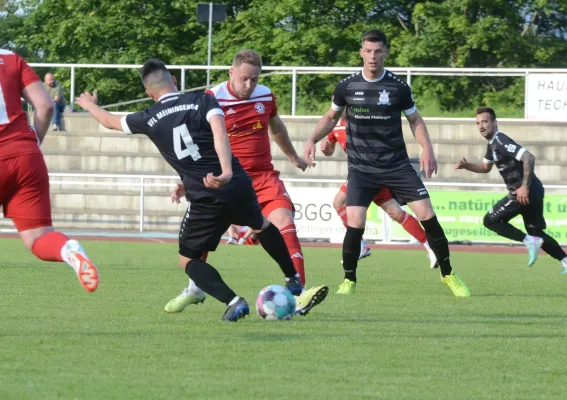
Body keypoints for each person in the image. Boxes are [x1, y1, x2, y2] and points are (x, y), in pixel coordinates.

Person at [76, 58, 305, 321]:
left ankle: (233, 301)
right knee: (262, 225)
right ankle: (292, 277)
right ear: (174, 80)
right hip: (237, 182)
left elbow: (109, 121)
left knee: (188, 261)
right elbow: (220, 134)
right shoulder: (202, 99)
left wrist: (90, 105)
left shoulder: (148, 118)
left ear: (149, 93)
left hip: (206, 195)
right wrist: (227, 171)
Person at [303, 29, 470, 297]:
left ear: (386, 52)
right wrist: (311, 139)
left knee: (427, 214)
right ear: (361, 53)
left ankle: (449, 275)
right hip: (361, 169)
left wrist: (427, 148)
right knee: (355, 221)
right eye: (368, 51)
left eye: (378, 51)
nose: (373, 56)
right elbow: (331, 118)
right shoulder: (346, 86)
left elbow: (415, 120)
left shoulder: (398, 87)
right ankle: (349, 280)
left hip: (397, 165)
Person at [165, 49, 328, 315]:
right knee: (198, 247)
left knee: (284, 222)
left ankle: (299, 293)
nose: (249, 85)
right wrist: (187, 181)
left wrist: (294, 157)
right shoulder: (212, 98)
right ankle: (196, 289)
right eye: (244, 79)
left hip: (263, 176)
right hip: (226, 181)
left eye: (254, 79)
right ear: (231, 73)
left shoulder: (265, 95)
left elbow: (276, 128)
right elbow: (195, 143)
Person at [0, 49, 98, 292]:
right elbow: (44, 107)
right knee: (39, 237)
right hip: (26, 156)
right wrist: (32, 142)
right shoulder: (12, 58)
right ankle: (68, 249)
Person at [455, 107, 567, 274]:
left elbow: (528, 157)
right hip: (534, 190)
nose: (481, 126)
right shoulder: (492, 144)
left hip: (523, 192)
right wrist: (467, 166)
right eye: (478, 123)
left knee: (490, 221)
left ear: (494, 123)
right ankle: (564, 259)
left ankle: (528, 241)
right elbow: (485, 167)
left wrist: (524, 187)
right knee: (536, 232)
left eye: (485, 122)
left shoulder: (500, 141)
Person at [321, 111, 437, 268]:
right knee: (396, 213)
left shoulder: (360, 122)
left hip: (370, 172)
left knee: (340, 202)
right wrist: (326, 148)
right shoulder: (334, 126)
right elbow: (329, 150)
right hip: (363, 175)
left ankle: (361, 245)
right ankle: (429, 245)